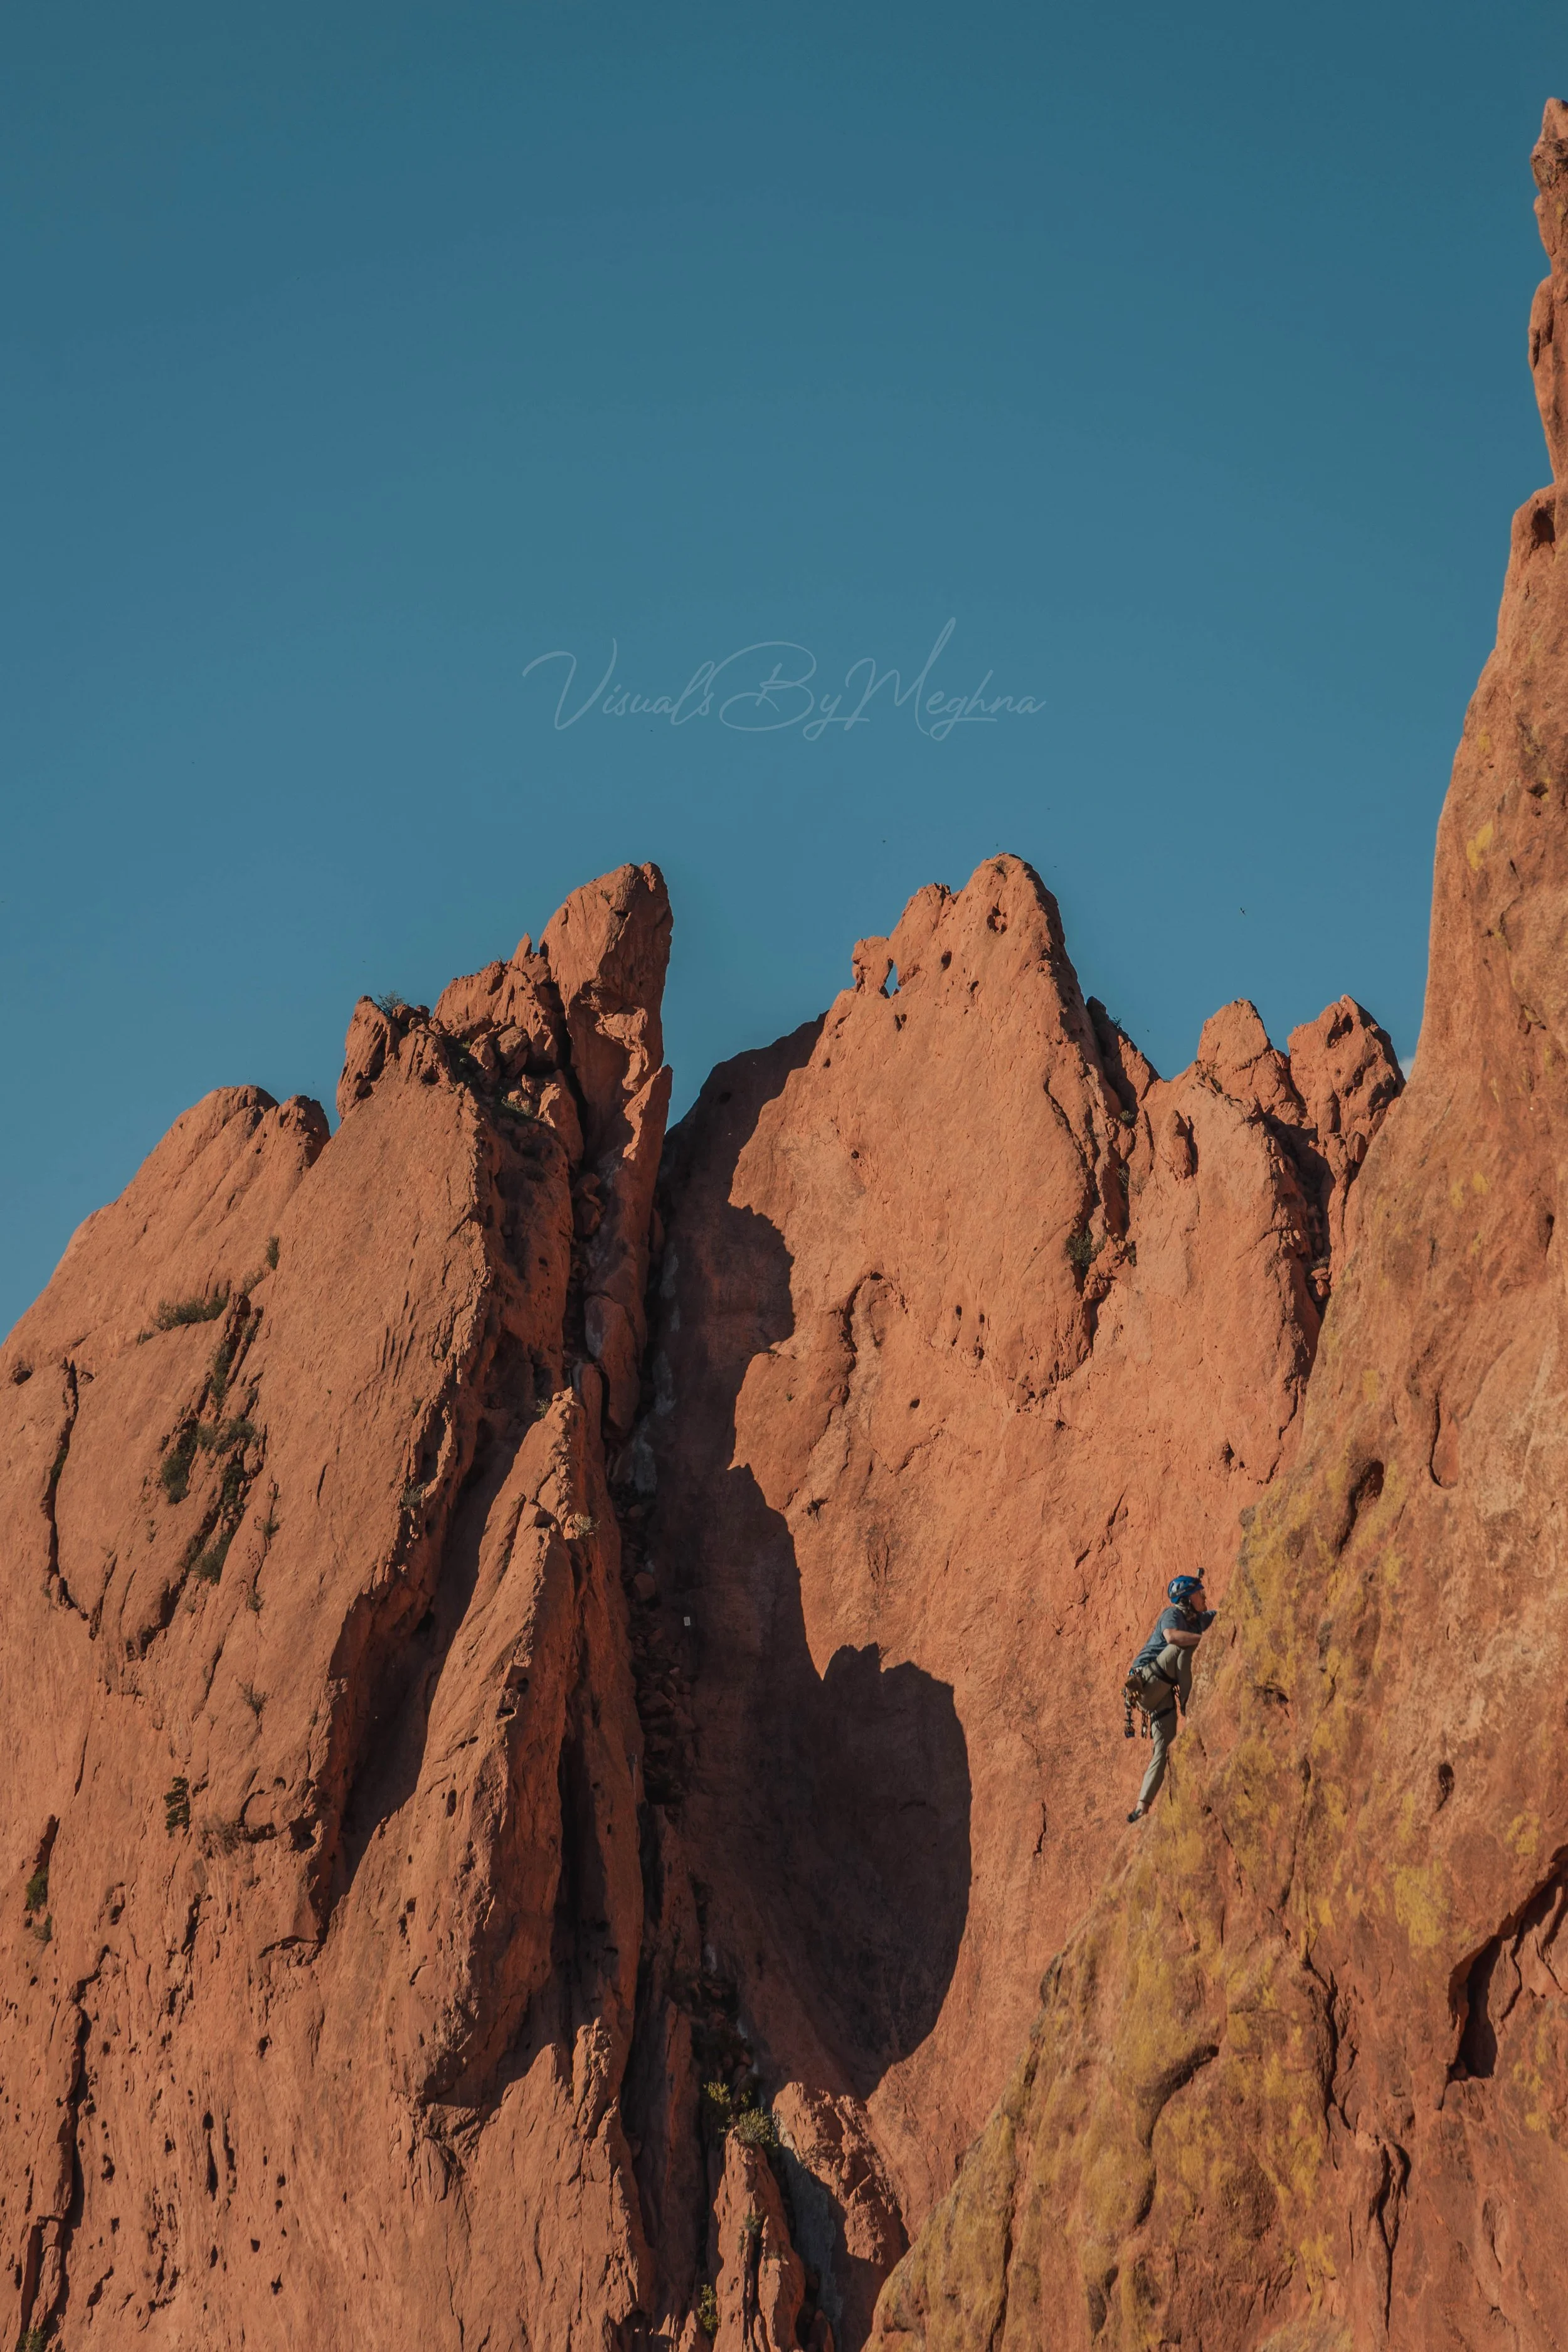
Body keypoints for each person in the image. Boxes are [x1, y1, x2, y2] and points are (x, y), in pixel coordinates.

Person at [1126, 1573, 1215, 1823]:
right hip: (1147, 1680)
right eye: (1199, 1592)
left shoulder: (1199, 1620)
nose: (1204, 1595)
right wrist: (1205, 1639)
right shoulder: (1172, 1613)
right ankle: (1189, 1705)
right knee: (1183, 1646)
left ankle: (1141, 1807)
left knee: (1163, 1749)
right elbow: (1172, 1638)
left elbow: (1225, 1616)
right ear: (1186, 1599)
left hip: (1159, 1692)